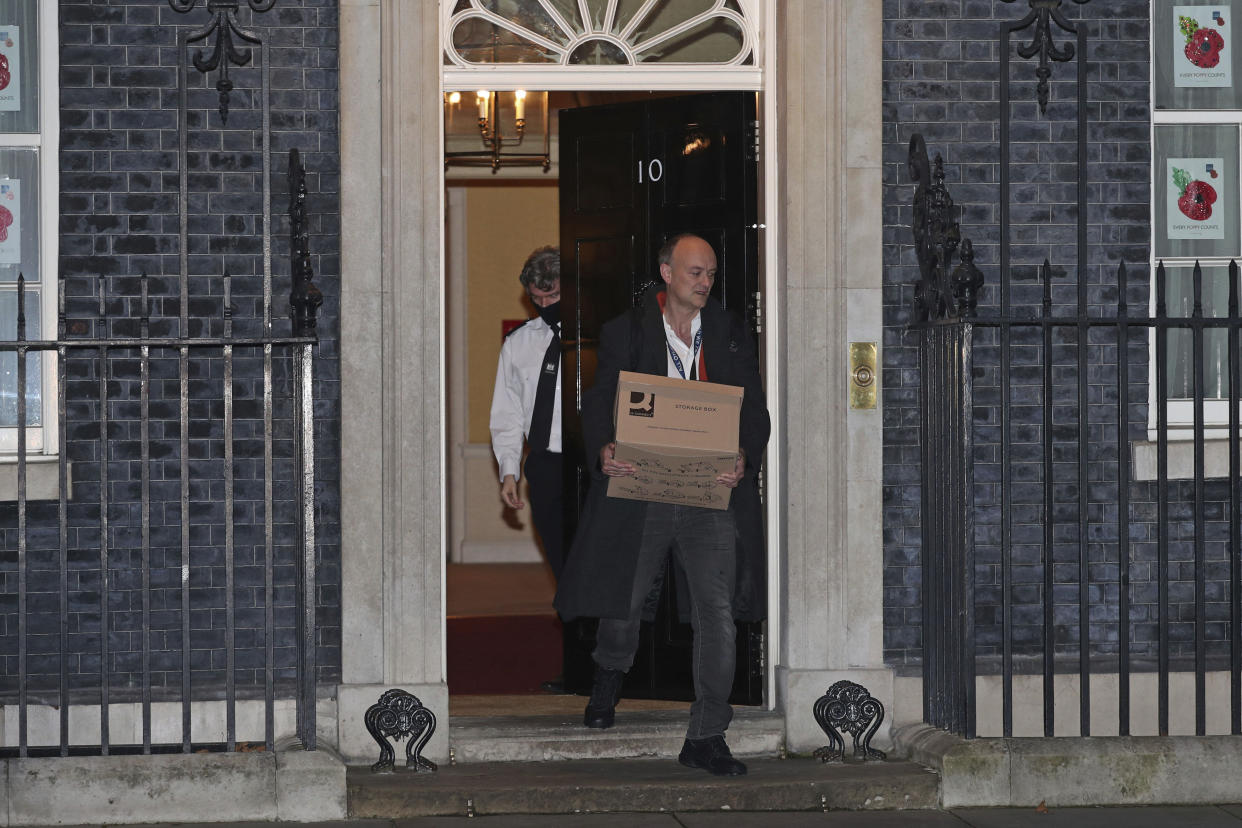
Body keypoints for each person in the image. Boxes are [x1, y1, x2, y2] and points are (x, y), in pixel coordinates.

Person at [554, 233, 770, 777]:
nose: (705, 282)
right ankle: (609, 674)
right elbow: (601, 398)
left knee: (717, 615)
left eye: (712, 274)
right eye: (696, 272)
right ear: (667, 272)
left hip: (709, 494)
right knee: (625, 604)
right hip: (642, 490)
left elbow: (754, 406)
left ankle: (706, 735)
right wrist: (603, 444)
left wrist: (745, 452)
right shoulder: (626, 331)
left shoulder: (729, 333)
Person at [489, 245, 565, 580]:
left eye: (554, 296)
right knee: (559, 558)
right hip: (546, 464)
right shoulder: (517, 344)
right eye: (538, 299)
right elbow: (508, 413)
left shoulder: (601, 335)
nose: (546, 306)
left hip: (595, 461)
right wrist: (509, 471)